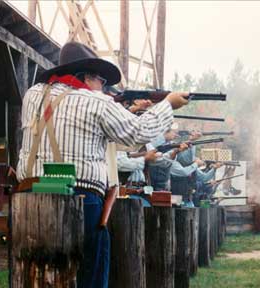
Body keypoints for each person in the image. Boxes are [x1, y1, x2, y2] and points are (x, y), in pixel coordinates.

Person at [16, 41, 189, 288]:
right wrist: (168, 104)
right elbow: (138, 132)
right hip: (82, 199)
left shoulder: (33, 94)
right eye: (100, 81)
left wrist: (126, 106)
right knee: (92, 273)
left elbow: (74, 120)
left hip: (29, 197)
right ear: (86, 77)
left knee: (36, 276)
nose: (104, 88)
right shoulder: (97, 103)